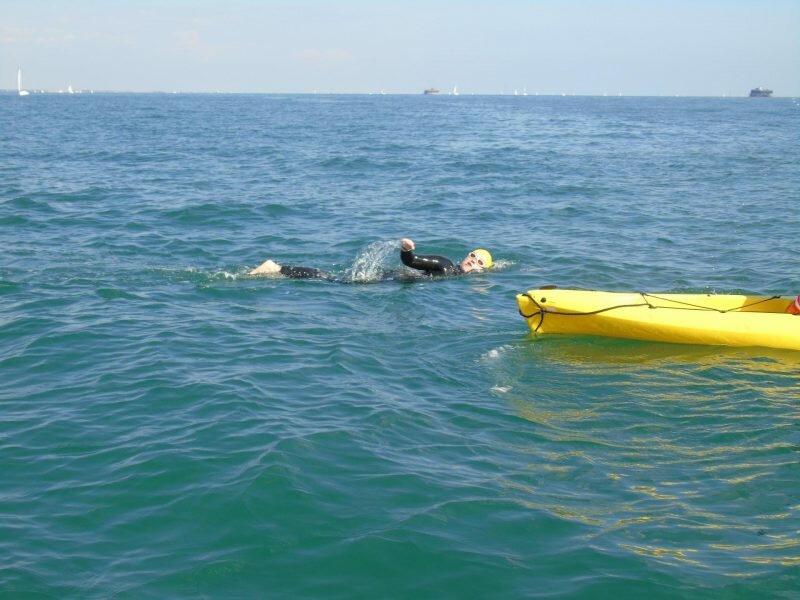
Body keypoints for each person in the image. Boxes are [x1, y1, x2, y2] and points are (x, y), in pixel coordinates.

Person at [249, 238, 493, 279]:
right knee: (330, 279)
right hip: (387, 279)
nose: (473, 261)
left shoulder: (457, 277)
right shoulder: (446, 265)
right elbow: (411, 262)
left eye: (480, 262)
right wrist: (407, 249)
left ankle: (279, 269)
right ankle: (277, 268)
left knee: (330, 278)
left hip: (390, 281)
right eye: (473, 255)